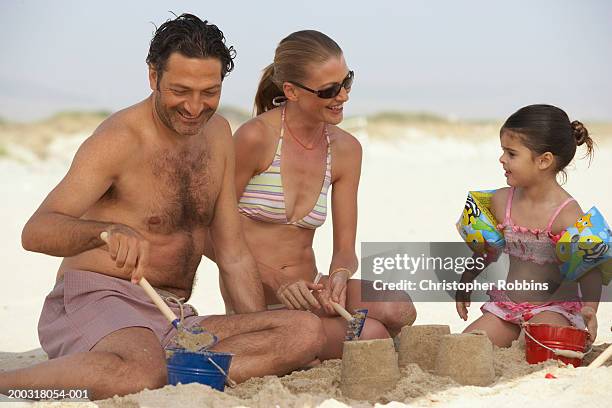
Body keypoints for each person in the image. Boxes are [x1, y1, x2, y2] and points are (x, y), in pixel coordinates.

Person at [0, 14, 325, 400]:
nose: (194, 106)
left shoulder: (219, 134)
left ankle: (166, 369)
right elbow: (35, 231)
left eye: (209, 91)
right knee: (141, 368)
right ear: (154, 77)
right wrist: (104, 232)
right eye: (180, 90)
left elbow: (234, 254)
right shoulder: (119, 140)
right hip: (99, 297)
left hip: (170, 315)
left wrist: (254, 327)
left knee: (304, 332)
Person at [206, 30, 416, 360]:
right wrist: (278, 281)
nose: (343, 95)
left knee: (399, 308)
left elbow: (345, 251)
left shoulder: (346, 149)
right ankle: (298, 349)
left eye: (347, 82)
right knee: (372, 334)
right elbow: (206, 233)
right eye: (329, 90)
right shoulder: (255, 138)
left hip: (314, 289)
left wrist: (339, 276)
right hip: (258, 299)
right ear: (290, 91)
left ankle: (312, 351)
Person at [456, 104, 600, 347]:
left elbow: (590, 268)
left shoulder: (567, 214)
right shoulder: (502, 201)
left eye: (511, 154)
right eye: (503, 151)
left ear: (544, 161)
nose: (502, 159)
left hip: (554, 309)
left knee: (538, 344)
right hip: (508, 309)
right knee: (466, 347)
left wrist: (589, 308)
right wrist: (466, 280)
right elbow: (487, 249)